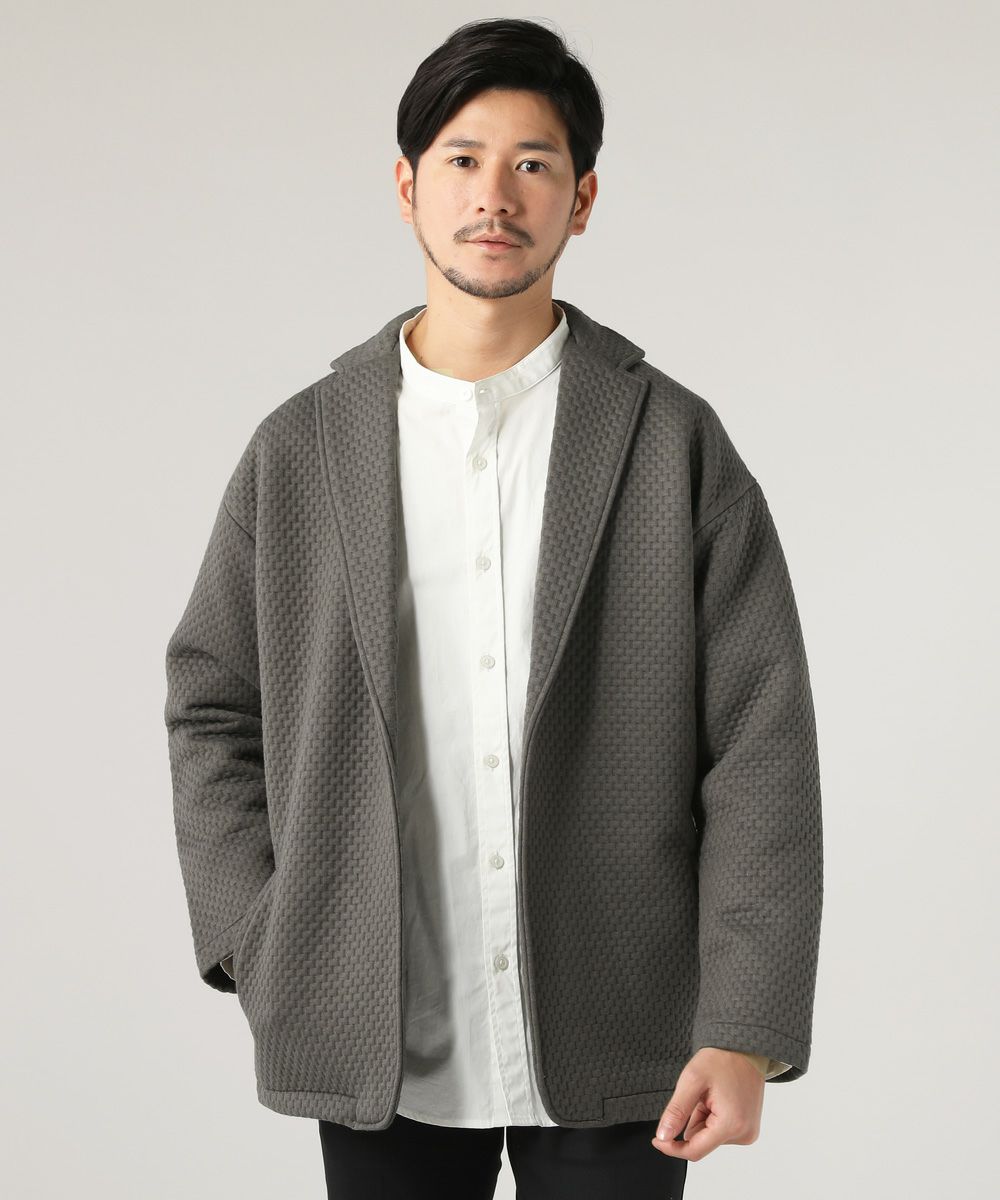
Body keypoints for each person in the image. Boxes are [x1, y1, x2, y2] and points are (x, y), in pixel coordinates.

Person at [163, 17, 823, 1199]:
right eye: (463, 159)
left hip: (626, 1016)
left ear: (582, 201)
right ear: (407, 186)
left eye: (533, 163)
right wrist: (259, 937)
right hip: (374, 1026)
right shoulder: (301, 449)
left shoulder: (669, 441)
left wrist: (742, 1022)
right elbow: (212, 701)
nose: (494, 195)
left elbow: (760, 743)